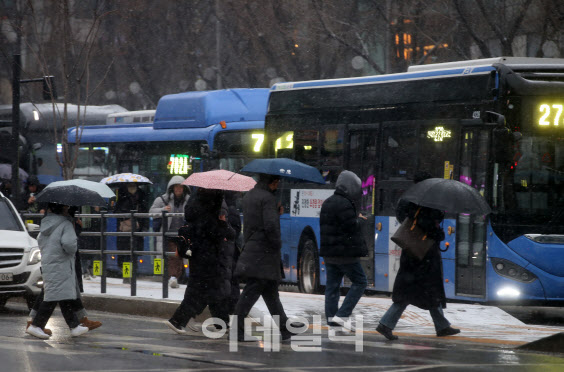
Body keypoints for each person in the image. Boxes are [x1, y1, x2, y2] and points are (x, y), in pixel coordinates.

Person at [376, 173, 460, 341]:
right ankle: (385, 324)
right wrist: (439, 232)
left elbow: (407, 219)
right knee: (411, 292)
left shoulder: (409, 199)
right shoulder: (424, 204)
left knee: (428, 291)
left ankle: (442, 326)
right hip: (423, 255)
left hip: (414, 252)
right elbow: (427, 225)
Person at [233, 174, 300, 342]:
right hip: (264, 252)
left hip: (254, 247)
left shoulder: (250, 196)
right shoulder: (268, 198)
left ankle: (285, 328)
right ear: (273, 182)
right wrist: (277, 243)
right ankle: (236, 330)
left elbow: (255, 221)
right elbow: (270, 226)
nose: (277, 186)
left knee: (270, 293)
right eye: (277, 182)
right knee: (252, 291)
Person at [164, 188, 235, 334]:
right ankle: (177, 320)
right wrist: (225, 226)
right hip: (209, 255)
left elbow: (197, 223)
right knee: (202, 291)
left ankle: (221, 323)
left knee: (212, 289)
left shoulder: (195, 201)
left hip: (197, 253)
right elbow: (216, 230)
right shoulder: (212, 205)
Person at [26, 206, 102, 336]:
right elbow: (69, 245)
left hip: (50, 263)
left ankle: (74, 326)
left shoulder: (46, 223)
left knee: (63, 295)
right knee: (53, 296)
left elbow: (40, 241)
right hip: (62, 264)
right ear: (64, 209)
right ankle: (36, 325)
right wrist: (75, 231)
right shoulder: (66, 224)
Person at [319, 170, 368, 332]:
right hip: (345, 253)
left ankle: (332, 319)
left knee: (332, 286)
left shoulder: (327, 202)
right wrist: (360, 220)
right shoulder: (345, 204)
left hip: (329, 253)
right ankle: (342, 316)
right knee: (360, 282)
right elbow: (350, 228)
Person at [149, 176, 190, 288]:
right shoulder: (162, 200)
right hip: (169, 235)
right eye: (176, 187)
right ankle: (173, 277)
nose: (178, 189)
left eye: (181, 186)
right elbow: (151, 212)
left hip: (185, 235)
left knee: (181, 256)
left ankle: (176, 277)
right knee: (174, 255)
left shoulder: (190, 201)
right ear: (171, 188)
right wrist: (162, 210)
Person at [114, 183, 148, 283]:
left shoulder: (141, 195)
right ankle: (126, 275)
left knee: (134, 253)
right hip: (124, 229)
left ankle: (132, 275)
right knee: (125, 253)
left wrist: (143, 226)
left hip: (137, 229)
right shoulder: (120, 194)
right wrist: (127, 217)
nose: (132, 185)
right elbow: (116, 211)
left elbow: (145, 211)